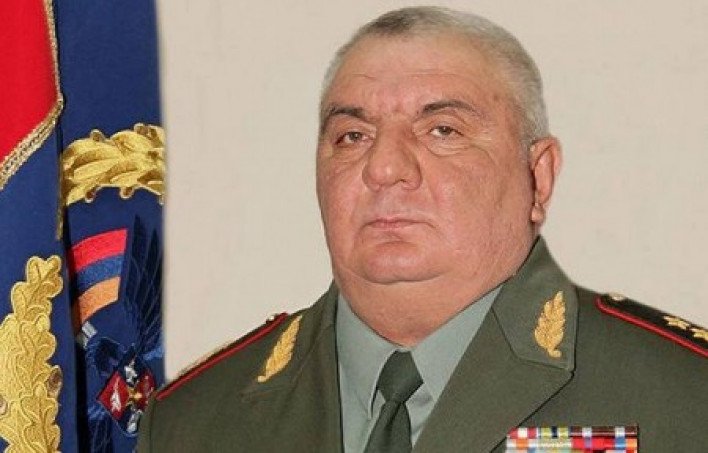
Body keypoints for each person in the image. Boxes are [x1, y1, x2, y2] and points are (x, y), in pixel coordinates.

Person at [138, 6, 708, 452]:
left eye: (443, 130)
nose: (384, 168)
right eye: (352, 137)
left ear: (538, 178)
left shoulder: (684, 396)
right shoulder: (193, 421)